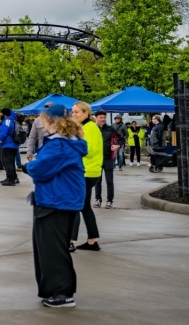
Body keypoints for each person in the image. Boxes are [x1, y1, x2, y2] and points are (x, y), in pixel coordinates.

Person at [25, 104, 87, 309]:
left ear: (48, 121)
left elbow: (41, 169)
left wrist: (29, 167)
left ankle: (61, 293)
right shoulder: (69, 142)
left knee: (52, 250)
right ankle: (58, 291)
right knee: (54, 248)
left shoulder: (58, 144)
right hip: (61, 200)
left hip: (55, 201)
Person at [70, 101, 102, 251]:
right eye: (72, 111)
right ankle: (92, 241)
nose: (73, 114)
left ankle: (69, 241)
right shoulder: (86, 127)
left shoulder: (90, 128)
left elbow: (89, 150)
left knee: (74, 206)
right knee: (84, 206)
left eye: (76, 112)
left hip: (86, 172)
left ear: (86, 113)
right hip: (88, 172)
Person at [93, 110, 122, 208]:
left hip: (108, 158)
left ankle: (109, 201)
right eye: (101, 117)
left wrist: (117, 146)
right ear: (96, 118)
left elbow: (121, 138)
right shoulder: (93, 129)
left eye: (104, 117)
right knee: (97, 181)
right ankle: (97, 200)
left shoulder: (110, 129)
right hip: (96, 159)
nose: (103, 119)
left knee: (109, 181)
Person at [0, 107, 20, 186]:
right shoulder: (13, 120)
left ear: (4, 114)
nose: (0, 114)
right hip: (13, 145)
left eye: (1, 113)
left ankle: (10, 179)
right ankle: (13, 177)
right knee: (11, 162)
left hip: (7, 145)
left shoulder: (7, 121)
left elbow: (4, 133)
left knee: (7, 163)